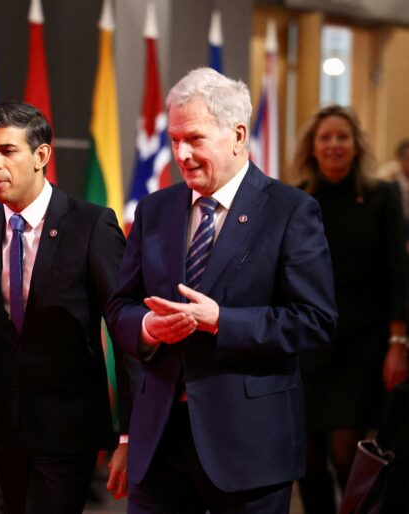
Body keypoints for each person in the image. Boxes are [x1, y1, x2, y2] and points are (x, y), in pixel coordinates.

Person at [106, 67, 337, 514]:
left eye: (194, 139)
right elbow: (119, 307)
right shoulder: (154, 210)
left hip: (248, 447)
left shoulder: (291, 211)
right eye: (174, 140)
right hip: (160, 442)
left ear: (237, 134)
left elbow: (315, 320)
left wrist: (221, 322)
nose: (182, 154)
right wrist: (149, 327)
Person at [0, 101, 130, 513]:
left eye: (7, 151)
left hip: (70, 429)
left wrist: (129, 435)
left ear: (41, 156)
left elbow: (127, 333)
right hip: (7, 427)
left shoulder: (92, 225)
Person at [292, 105, 408, 514]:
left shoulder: (382, 196)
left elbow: (399, 270)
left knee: (346, 455)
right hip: (307, 344)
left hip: (362, 345)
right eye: (325, 138)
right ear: (313, 147)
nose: (334, 145)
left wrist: (399, 342)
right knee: (304, 460)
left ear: (356, 146)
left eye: (342, 137)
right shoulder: (298, 199)